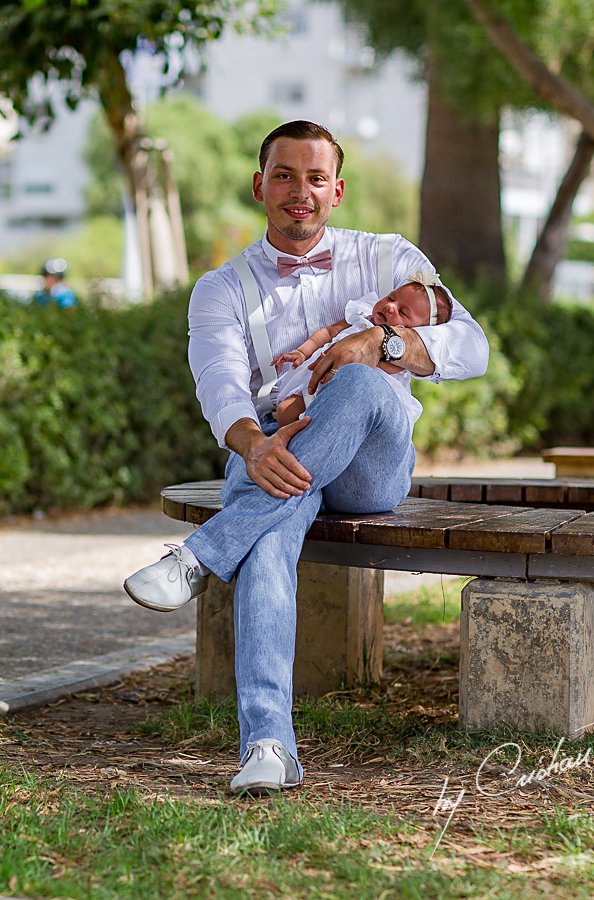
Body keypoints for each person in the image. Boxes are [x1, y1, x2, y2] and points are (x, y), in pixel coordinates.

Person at [122, 120, 489, 796]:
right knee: (268, 540)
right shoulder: (220, 288)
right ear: (260, 185)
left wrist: (379, 344)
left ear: (337, 190)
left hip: (372, 461)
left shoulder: (388, 258)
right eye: (284, 176)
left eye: (314, 178)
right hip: (274, 449)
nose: (300, 192)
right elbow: (220, 383)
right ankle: (269, 746)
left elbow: (473, 345)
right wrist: (253, 443)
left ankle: (201, 556)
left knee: (353, 381)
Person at [272, 276, 453, 429]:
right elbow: (329, 332)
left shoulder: (394, 351)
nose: (390, 307)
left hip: (351, 397)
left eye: (403, 312)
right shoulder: (361, 315)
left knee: (302, 417)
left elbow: (381, 370)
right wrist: (302, 353)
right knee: (285, 411)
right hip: (318, 382)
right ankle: (288, 448)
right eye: (391, 298)